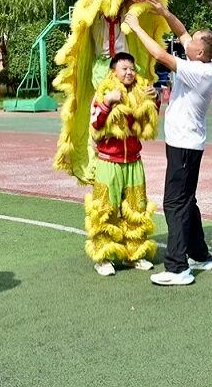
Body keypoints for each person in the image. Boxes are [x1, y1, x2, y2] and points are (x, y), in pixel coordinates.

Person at [124, 0, 212, 286]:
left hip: (184, 145)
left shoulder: (198, 71)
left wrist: (135, 26)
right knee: (187, 201)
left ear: (200, 51)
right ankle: (200, 255)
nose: (188, 39)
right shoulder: (201, 61)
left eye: (194, 40)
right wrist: (165, 12)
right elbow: (181, 32)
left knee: (174, 203)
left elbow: (159, 53)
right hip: (187, 143)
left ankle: (178, 268)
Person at [84, 52, 161, 276]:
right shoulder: (104, 91)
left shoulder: (141, 90)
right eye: (124, 68)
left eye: (132, 68)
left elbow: (150, 120)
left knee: (136, 208)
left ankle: (134, 254)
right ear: (113, 71)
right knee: (104, 210)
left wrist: (155, 98)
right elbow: (95, 124)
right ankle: (103, 256)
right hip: (108, 161)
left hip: (134, 160)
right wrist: (108, 102)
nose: (129, 72)